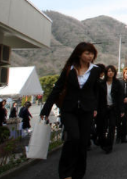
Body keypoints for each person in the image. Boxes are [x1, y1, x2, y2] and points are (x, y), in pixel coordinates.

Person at [40, 42, 101, 179]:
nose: (90, 56)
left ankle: (78, 173)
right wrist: (45, 110)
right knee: (74, 137)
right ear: (79, 54)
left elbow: (96, 90)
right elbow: (57, 89)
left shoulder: (95, 70)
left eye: (92, 53)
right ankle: (65, 172)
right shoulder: (69, 69)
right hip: (69, 109)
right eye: (87, 53)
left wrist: (95, 107)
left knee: (83, 141)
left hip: (86, 110)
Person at [98, 65, 124, 154]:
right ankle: (103, 143)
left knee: (112, 126)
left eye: (112, 71)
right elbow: (97, 97)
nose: (110, 73)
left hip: (113, 108)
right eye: (109, 71)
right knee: (102, 127)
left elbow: (120, 97)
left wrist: (122, 110)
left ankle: (109, 146)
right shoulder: (101, 83)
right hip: (103, 108)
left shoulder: (118, 83)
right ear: (106, 72)